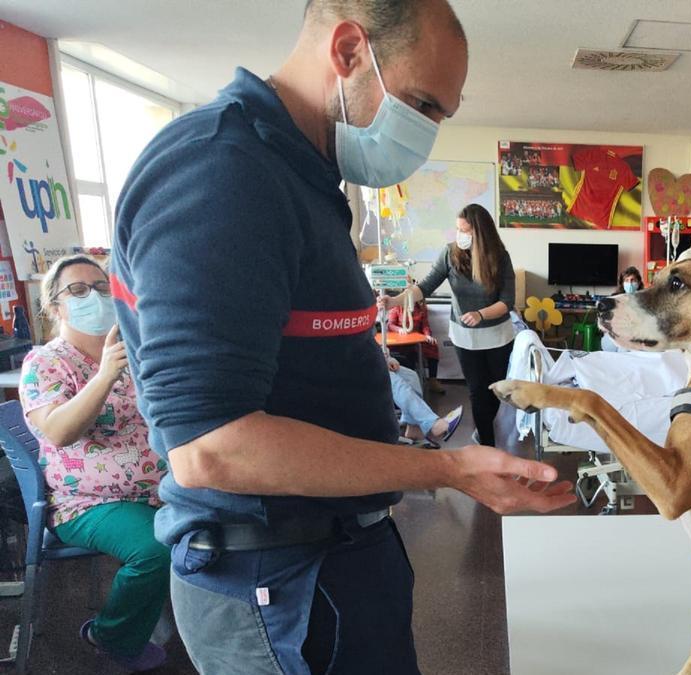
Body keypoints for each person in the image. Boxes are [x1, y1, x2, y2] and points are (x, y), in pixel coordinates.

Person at [110, 2, 575, 672]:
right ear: (350, 51)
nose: (427, 131)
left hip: (337, 552)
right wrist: (446, 468)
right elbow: (212, 449)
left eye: (441, 113)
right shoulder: (222, 173)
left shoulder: (302, 174)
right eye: (421, 103)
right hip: (274, 577)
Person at [19, 256, 169, 671]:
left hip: (158, 488)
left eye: (102, 288)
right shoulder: (46, 363)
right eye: (78, 290)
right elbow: (58, 430)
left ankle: (193, 619)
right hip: (86, 502)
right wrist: (103, 376)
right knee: (156, 550)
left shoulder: (132, 353)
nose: (95, 298)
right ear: (54, 307)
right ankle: (110, 634)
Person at [391, 204, 516, 448]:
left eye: (465, 230)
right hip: (464, 336)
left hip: (497, 335)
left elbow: (507, 302)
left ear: (480, 233)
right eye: (458, 229)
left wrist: (481, 314)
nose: (460, 235)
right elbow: (425, 287)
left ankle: (485, 432)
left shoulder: (500, 257)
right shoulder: (450, 254)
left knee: (497, 390)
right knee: (478, 390)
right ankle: (487, 446)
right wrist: (395, 300)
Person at [388, 298, 443, 393]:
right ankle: (409, 383)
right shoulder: (397, 307)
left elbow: (425, 325)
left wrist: (428, 335)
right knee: (408, 352)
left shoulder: (421, 308)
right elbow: (390, 324)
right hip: (400, 337)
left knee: (432, 346)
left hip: (416, 337)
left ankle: (433, 380)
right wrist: (399, 329)